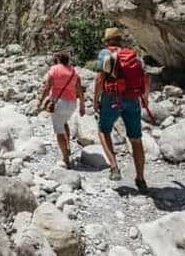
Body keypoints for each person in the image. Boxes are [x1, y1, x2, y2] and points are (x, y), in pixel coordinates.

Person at [94, 27, 150, 192]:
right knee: (136, 139)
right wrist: (145, 98)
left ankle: (114, 167)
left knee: (103, 130)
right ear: (120, 40)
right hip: (132, 98)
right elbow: (145, 77)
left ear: (106, 41)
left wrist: (96, 99)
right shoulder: (133, 55)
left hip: (112, 97)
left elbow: (99, 79)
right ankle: (140, 179)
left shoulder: (105, 54)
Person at [37, 51, 86, 168]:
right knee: (64, 122)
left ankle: (65, 158)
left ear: (58, 59)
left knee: (59, 131)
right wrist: (82, 105)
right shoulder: (73, 71)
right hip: (72, 104)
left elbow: (47, 87)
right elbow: (79, 90)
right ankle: (68, 146)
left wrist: (40, 101)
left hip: (59, 103)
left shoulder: (54, 69)